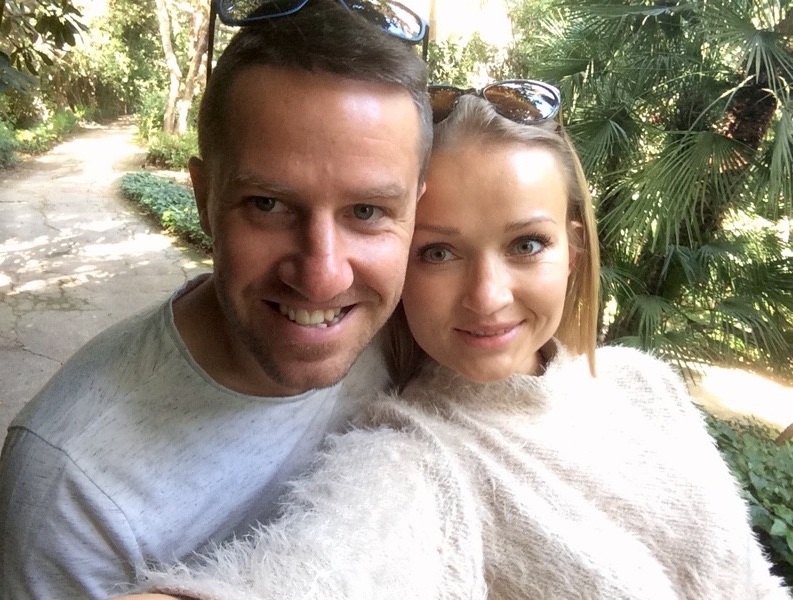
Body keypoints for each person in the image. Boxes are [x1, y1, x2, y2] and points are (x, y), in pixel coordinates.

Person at [117, 92, 790, 598]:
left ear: (574, 251)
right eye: (438, 252)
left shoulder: (647, 386)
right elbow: (321, 570)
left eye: (526, 244)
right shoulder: (411, 459)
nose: (487, 297)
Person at [0, 1, 432, 598]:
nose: (322, 278)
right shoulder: (73, 484)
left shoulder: (422, 327)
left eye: (367, 211)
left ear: (416, 211)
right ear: (204, 200)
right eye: (267, 204)